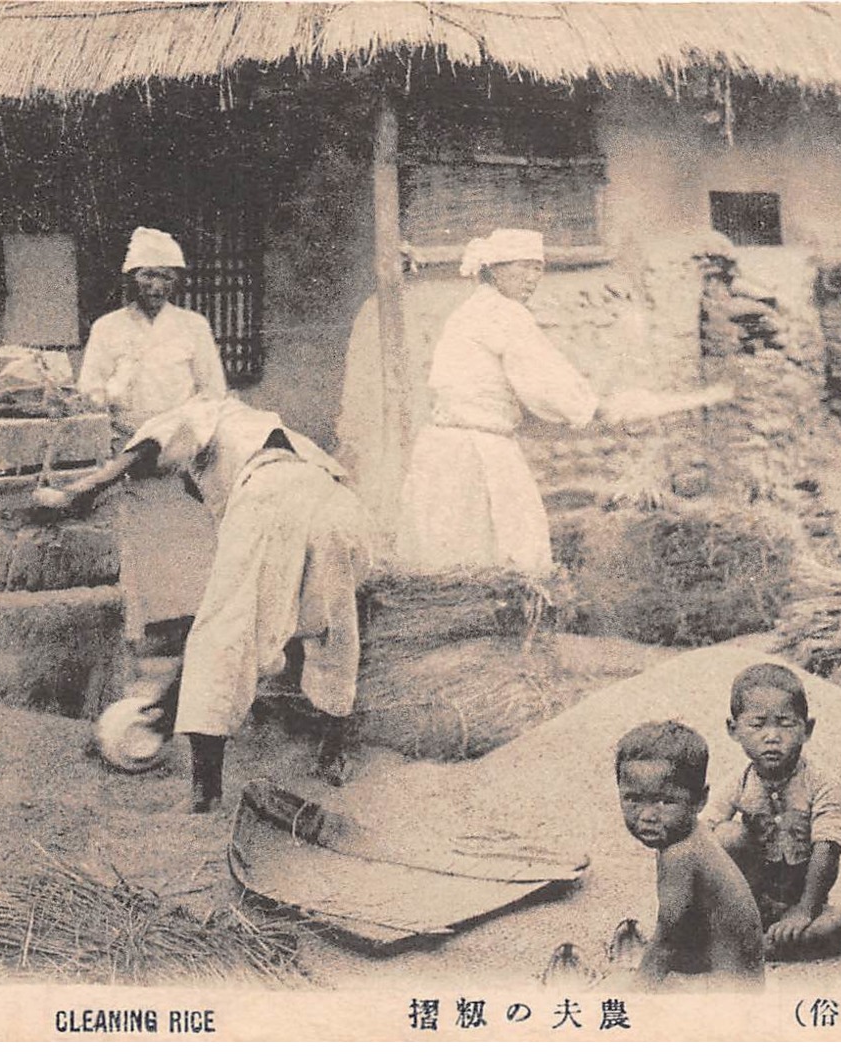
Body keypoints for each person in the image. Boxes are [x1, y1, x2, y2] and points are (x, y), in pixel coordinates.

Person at [36, 396, 373, 812]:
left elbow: (151, 443)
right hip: (342, 508)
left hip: (274, 497)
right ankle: (331, 757)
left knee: (220, 638)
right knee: (331, 629)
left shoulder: (202, 409)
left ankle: (205, 796)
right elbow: (274, 621)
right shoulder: (276, 433)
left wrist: (81, 491)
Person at [395, 228, 731, 574]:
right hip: (478, 453)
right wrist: (593, 409)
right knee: (508, 555)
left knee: (448, 557)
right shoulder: (505, 315)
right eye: (521, 267)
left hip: (443, 449)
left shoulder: (471, 310)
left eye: (537, 269)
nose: (531, 278)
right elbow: (545, 383)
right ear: (494, 269)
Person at [76, 227, 227, 661]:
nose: (156, 287)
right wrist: (112, 394)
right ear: (130, 279)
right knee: (137, 549)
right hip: (128, 452)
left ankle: (189, 630)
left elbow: (212, 390)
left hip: (180, 453)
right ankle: (141, 635)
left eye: (165, 277)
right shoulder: (108, 329)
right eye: (146, 276)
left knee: (188, 547)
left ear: (176, 282)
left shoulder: (192, 326)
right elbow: (88, 391)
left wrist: (188, 436)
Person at [710, 663, 841, 961]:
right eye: (758, 724)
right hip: (749, 897)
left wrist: (804, 909)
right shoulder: (738, 782)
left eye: (786, 724)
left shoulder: (822, 783)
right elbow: (701, 831)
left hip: (799, 901)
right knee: (725, 835)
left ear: (807, 729)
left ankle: (756, 948)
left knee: (837, 927)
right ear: (733, 730)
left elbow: (828, 847)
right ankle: (743, 930)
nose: (772, 736)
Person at [614, 720, 766, 989]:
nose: (648, 816)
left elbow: (666, 943)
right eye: (633, 799)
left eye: (666, 801)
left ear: (700, 800)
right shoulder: (684, 836)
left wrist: (635, 994)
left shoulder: (681, 854)